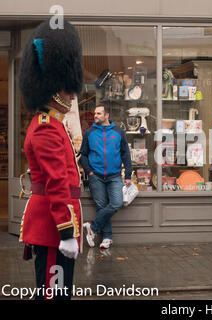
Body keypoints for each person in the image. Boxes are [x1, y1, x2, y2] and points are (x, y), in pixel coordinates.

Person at [18, 19, 83, 300]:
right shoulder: (46, 125)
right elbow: (57, 182)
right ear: (53, 88)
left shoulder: (53, 123)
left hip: (56, 222)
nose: (72, 94)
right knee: (53, 294)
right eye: (67, 89)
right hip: (53, 226)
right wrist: (66, 230)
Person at [80, 105, 132, 249]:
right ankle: (107, 237)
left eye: (98, 113)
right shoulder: (89, 132)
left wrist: (127, 174)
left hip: (114, 176)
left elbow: (125, 154)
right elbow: (83, 155)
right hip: (95, 176)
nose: (95, 115)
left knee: (116, 203)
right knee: (101, 206)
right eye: (95, 113)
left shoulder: (118, 132)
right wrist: (89, 171)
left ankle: (93, 227)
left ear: (107, 115)